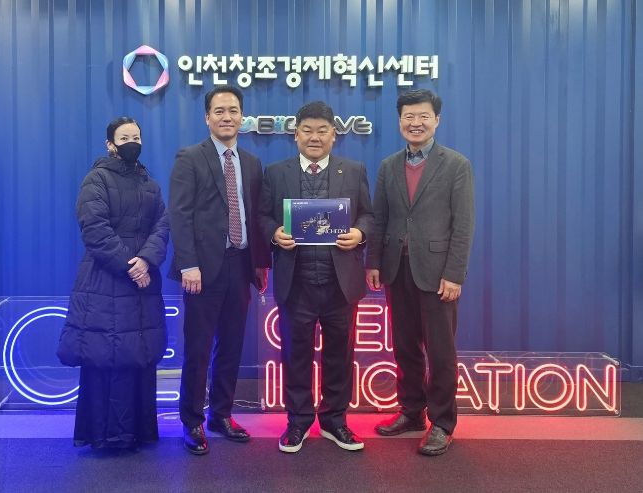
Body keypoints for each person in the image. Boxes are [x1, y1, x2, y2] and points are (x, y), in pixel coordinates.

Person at [259, 101, 373, 453]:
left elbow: (368, 215)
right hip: (297, 283)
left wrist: (360, 233)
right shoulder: (276, 172)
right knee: (295, 356)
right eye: (307, 130)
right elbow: (262, 216)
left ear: (333, 136)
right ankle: (297, 422)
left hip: (341, 284)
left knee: (340, 356)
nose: (314, 137)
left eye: (322, 131)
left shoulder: (353, 170)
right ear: (295, 135)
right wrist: (274, 232)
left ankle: (335, 421)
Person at [366, 89, 475, 456]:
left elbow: (463, 225)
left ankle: (442, 422)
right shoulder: (388, 166)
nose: (415, 123)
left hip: (438, 273)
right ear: (400, 121)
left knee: (441, 352)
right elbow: (380, 218)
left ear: (436, 120)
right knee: (405, 347)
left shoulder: (456, 165)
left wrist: (455, 274)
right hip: (397, 271)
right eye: (408, 117)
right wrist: (373, 262)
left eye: (423, 116)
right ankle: (412, 411)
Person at [57, 117, 170, 450]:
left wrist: (146, 259)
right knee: (104, 354)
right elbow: (94, 228)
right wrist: (129, 265)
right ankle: (104, 436)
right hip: (105, 280)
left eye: (136, 137)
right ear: (110, 144)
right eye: (124, 137)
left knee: (138, 354)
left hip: (143, 280)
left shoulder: (150, 183)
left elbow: (163, 225)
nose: (131, 142)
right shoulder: (96, 179)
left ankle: (138, 433)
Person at [168, 85, 270, 455]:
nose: (227, 117)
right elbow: (179, 214)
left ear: (242, 116)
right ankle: (192, 421)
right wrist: (188, 264)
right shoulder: (190, 157)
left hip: (240, 266)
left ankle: (221, 415)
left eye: (233, 111)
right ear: (207, 117)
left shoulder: (252, 163)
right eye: (219, 111)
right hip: (202, 269)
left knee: (232, 345)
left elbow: (256, 216)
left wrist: (260, 263)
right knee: (198, 348)